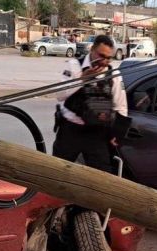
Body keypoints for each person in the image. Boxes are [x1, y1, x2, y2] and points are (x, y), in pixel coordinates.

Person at [53, 35, 128, 174]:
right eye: (101, 56)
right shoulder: (74, 65)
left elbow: (121, 106)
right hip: (70, 131)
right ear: (92, 50)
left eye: (108, 58)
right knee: (57, 172)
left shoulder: (114, 74)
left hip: (97, 133)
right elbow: (60, 95)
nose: (104, 61)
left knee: (102, 177)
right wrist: (82, 80)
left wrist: (116, 134)